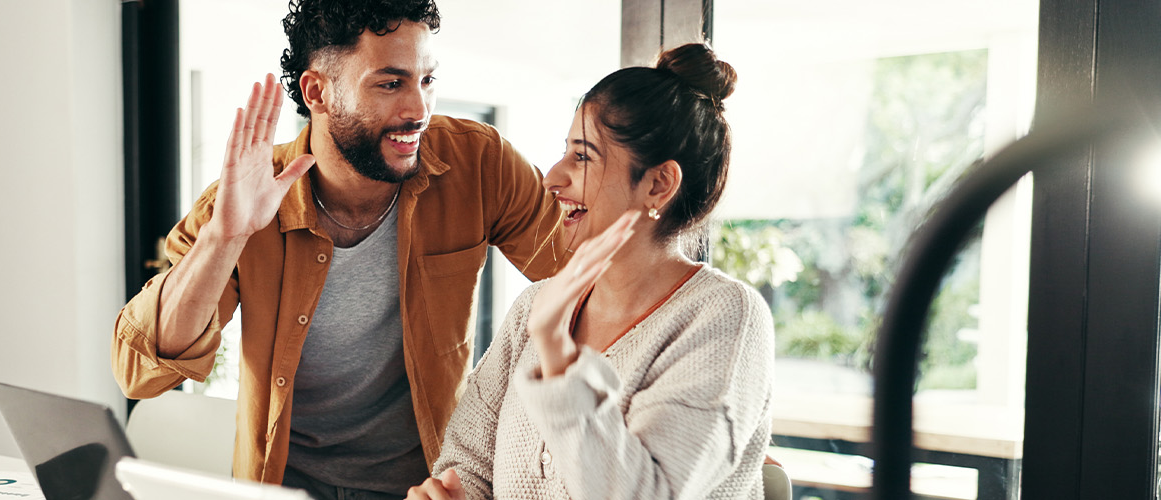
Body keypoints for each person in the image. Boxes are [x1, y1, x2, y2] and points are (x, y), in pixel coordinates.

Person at [110, 0, 569, 498]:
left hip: (427, 488)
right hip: (287, 489)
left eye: (427, 80)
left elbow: (587, 278)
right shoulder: (246, 199)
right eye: (390, 84)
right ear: (318, 92)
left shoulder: (478, 163)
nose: (419, 109)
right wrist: (226, 238)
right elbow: (140, 371)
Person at [407, 43, 774, 500]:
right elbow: (466, 466)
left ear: (658, 184)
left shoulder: (725, 315)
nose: (552, 178)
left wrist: (558, 355)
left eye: (582, 157)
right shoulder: (533, 308)